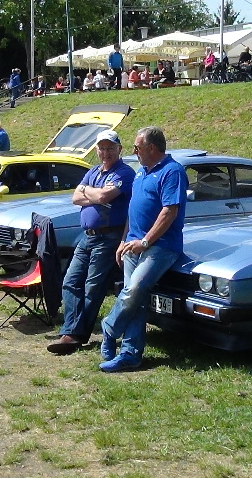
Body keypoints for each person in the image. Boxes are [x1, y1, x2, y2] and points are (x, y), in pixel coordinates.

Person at [98, 126, 188, 373]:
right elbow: (133, 210)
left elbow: (169, 211)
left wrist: (145, 242)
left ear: (151, 148)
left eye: (137, 147)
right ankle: (130, 354)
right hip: (132, 245)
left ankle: (109, 328)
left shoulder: (172, 171)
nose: (134, 151)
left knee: (134, 290)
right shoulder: (141, 172)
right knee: (134, 299)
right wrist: (123, 240)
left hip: (160, 246)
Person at [46, 130, 136, 355]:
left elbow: (104, 197)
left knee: (93, 287)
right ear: (96, 150)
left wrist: (88, 191)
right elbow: (75, 198)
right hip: (87, 236)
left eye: (110, 148)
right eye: (102, 148)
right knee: (70, 281)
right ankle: (73, 330)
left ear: (119, 149)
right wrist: (93, 194)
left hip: (108, 237)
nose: (106, 153)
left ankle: (74, 335)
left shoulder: (124, 173)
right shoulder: (93, 171)